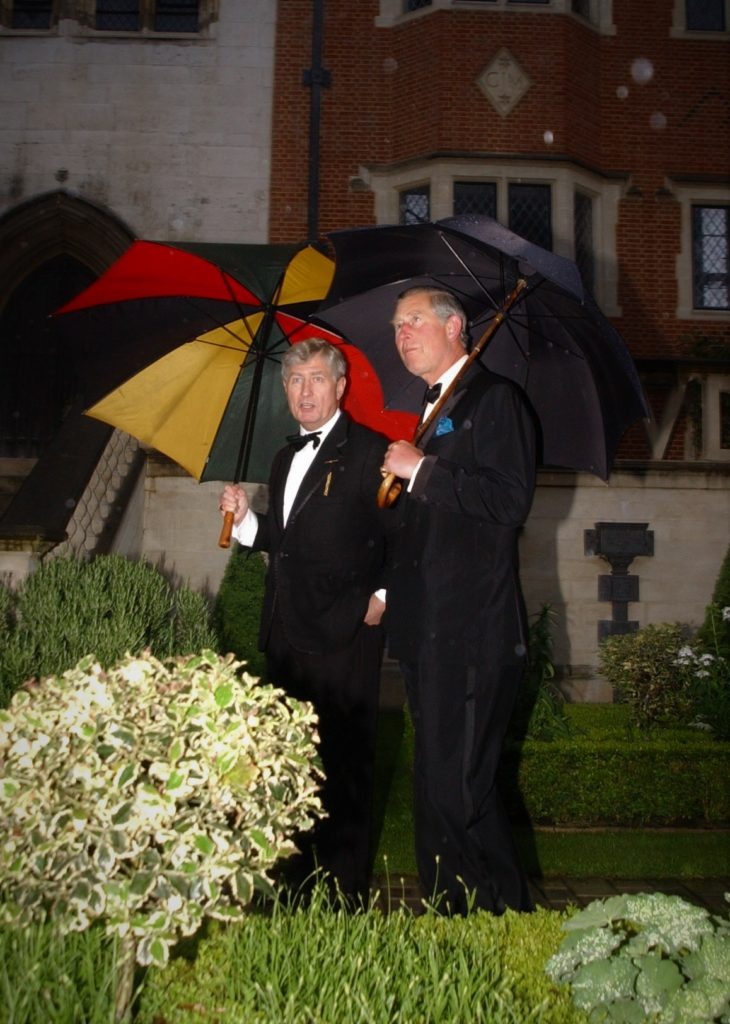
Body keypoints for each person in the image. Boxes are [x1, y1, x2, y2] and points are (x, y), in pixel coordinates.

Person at [381, 286, 537, 915]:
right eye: (396, 326)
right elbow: (435, 527)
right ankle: (458, 915)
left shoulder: (497, 400)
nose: (401, 334)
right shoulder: (430, 409)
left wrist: (423, 471)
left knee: (460, 784)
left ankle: (488, 916)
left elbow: (508, 501)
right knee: (440, 779)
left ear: (455, 326)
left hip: (474, 630)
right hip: (427, 630)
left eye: (412, 321)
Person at [219, 338, 389, 904]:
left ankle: (343, 896)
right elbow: (283, 543)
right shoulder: (284, 456)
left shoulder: (371, 451)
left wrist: (382, 596)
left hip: (346, 632)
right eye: (295, 381)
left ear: (340, 387)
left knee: (344, 769)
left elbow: (404, 534)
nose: (305, 391)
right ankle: (294, 885)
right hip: (287, 633)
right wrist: (247, 522)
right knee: (291, 766)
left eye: (317, 379)